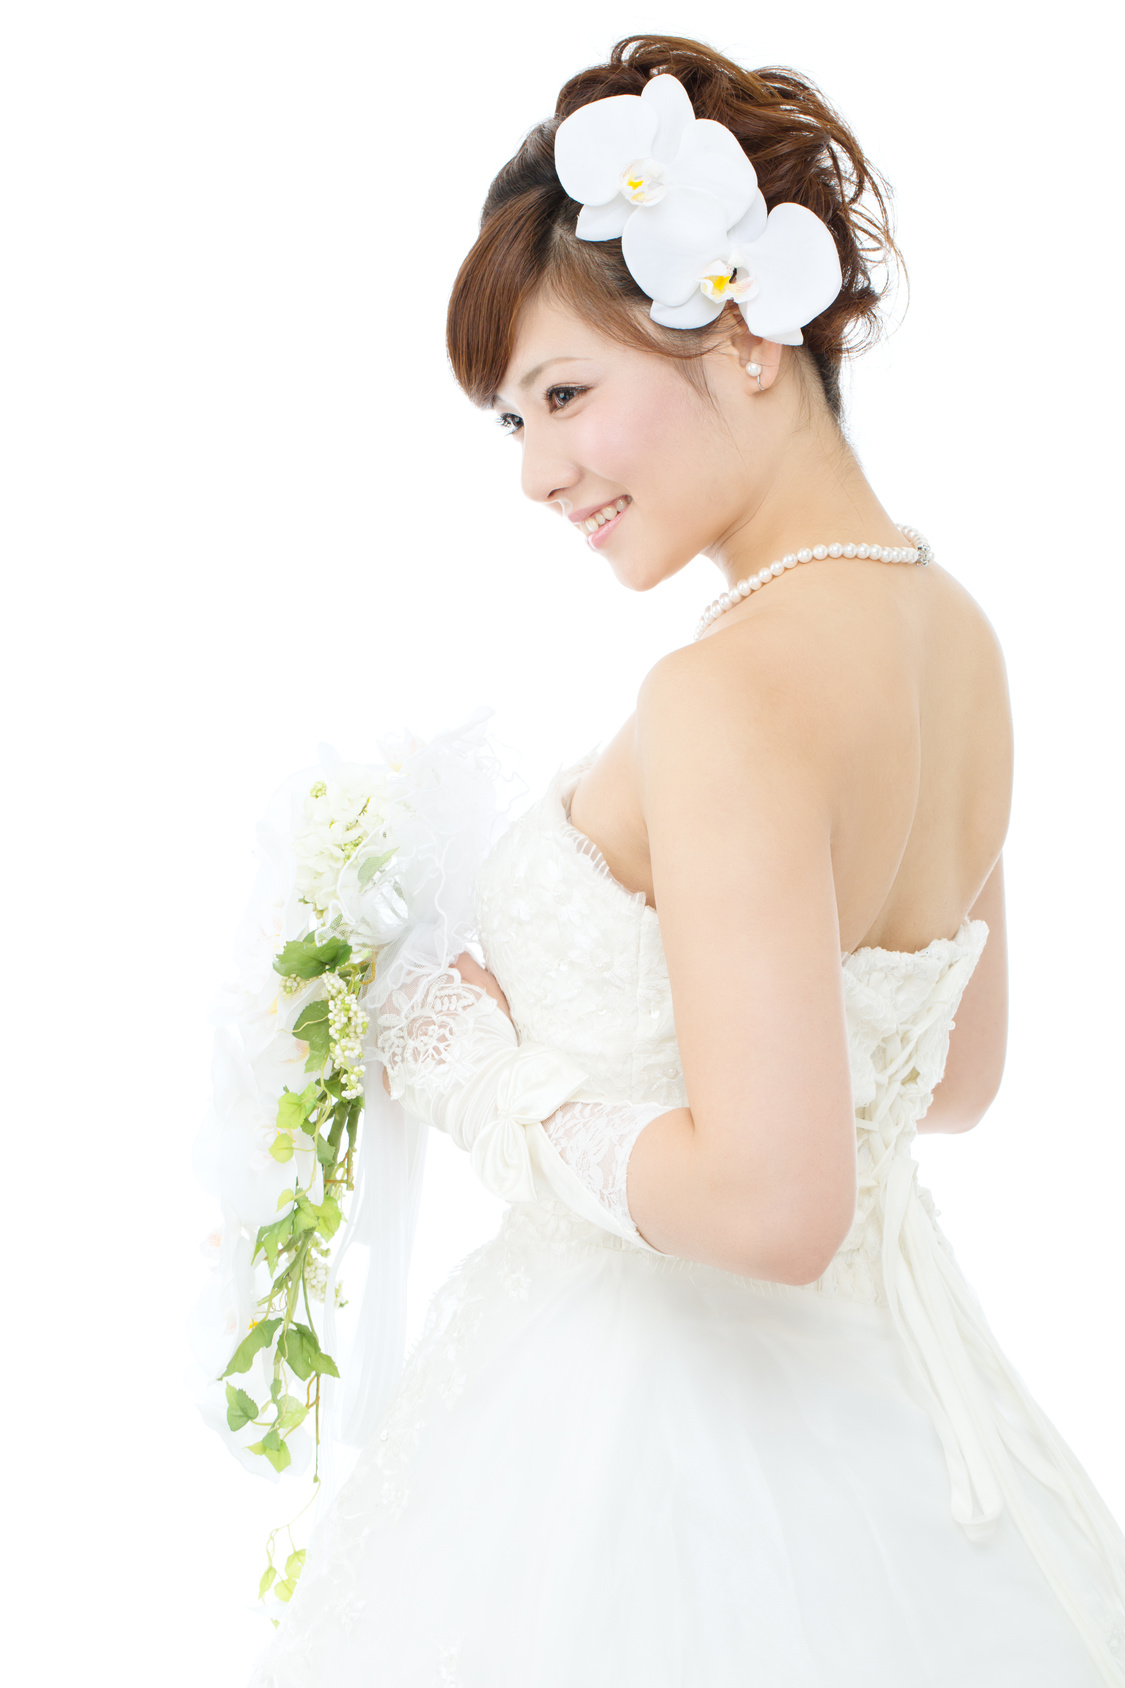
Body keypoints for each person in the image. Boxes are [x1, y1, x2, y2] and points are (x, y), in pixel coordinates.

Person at [247, 33, 1125, 1687]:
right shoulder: (959, 635)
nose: (536, 473)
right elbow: (955, 1079)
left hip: (650, 1453)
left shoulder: (724, 694)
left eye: (565, 395)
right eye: (511, 422)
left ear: (743, 330)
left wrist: (484, 1067)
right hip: (894, 1435)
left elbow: (779, 1204)